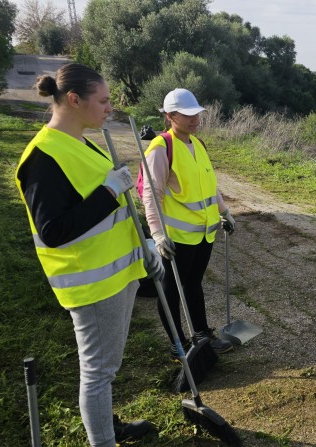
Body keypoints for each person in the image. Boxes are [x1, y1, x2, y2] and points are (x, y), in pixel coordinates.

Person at [15, 63, 162, 446]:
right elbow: (54, 231)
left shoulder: (80, 139)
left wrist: (143, 241)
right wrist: (110, 191)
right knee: (98, 373)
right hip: (93, 284)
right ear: (75, 100)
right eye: (104, 100)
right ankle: (103, 441)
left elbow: (106, 216)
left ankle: (106, 426)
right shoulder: (42, 158)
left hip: (116, 274)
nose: (110, 108)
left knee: (106, 369)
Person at [141, 88, 235, 358]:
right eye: (188, 114)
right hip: (176, 238)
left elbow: (210, 184)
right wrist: (157, 235)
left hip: (204, 234)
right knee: (172, 289)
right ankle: (178, 344)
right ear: (170, 116)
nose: (195, 119)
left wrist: (224, 212)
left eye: (197, 113)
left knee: (193, 284)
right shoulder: (161, 148)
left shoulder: (199, 144)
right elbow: (151, 194)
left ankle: (202, 336)